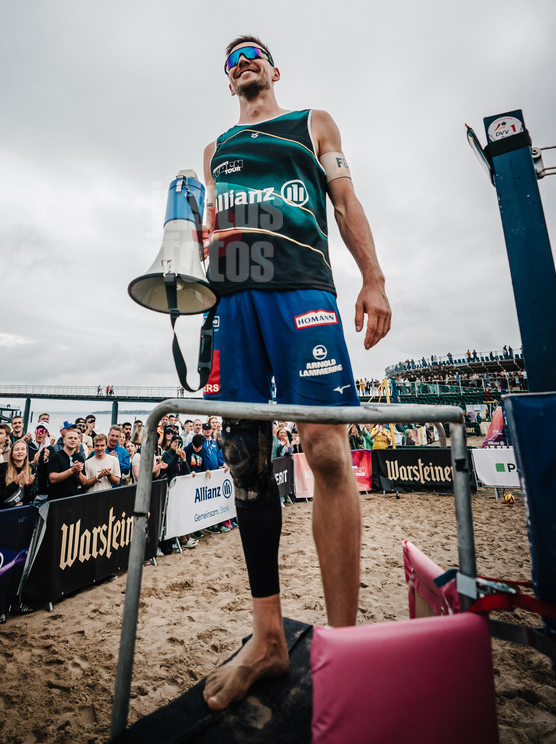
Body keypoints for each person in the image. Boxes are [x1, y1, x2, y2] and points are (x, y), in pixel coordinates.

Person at [200, 35, 391, 711]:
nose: (242, 60)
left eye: (252, 53)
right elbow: (208, 233)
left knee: (325, 449)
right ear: (228, 83)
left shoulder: (312, 122)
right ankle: (268, 638)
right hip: (233, 303)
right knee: (245, 462)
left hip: (302, 291)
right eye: (231, 59)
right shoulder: (214, 150)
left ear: (273, 70)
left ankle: (344, 643)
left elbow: (343, 201)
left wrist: (372, 278)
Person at [0, 440, 37, 508]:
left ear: (26, 453)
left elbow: (31, 497)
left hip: (23, 511)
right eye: (17, 449)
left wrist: (28, 486)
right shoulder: (3, 468)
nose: (20, 452)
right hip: (5, 510)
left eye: (23, 449)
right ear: (12, 454)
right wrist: (15, 484)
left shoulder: (31, 468)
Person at [46, 427, 86, 500]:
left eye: (75, 438)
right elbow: (52, 478)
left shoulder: (79, 458)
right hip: (56, 499)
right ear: (64, 440)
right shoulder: (56, 456)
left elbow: (84, 482)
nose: (73, 440)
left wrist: (78, 473)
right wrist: (72, 470)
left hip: (73, 499)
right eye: (70, 438)